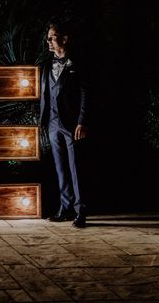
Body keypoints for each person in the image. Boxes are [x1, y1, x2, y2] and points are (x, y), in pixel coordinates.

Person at [40, 20, 90, 228]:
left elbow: (86, 94)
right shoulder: (45, 65)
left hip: (71, 124)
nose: (49, 42)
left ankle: (80, 211)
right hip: (52, 123)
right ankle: (65, 208)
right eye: (48, 38)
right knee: (60, 168)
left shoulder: (77, 64)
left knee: (75, 167)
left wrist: (82, 121)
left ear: (64, 39)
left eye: (52, 37)